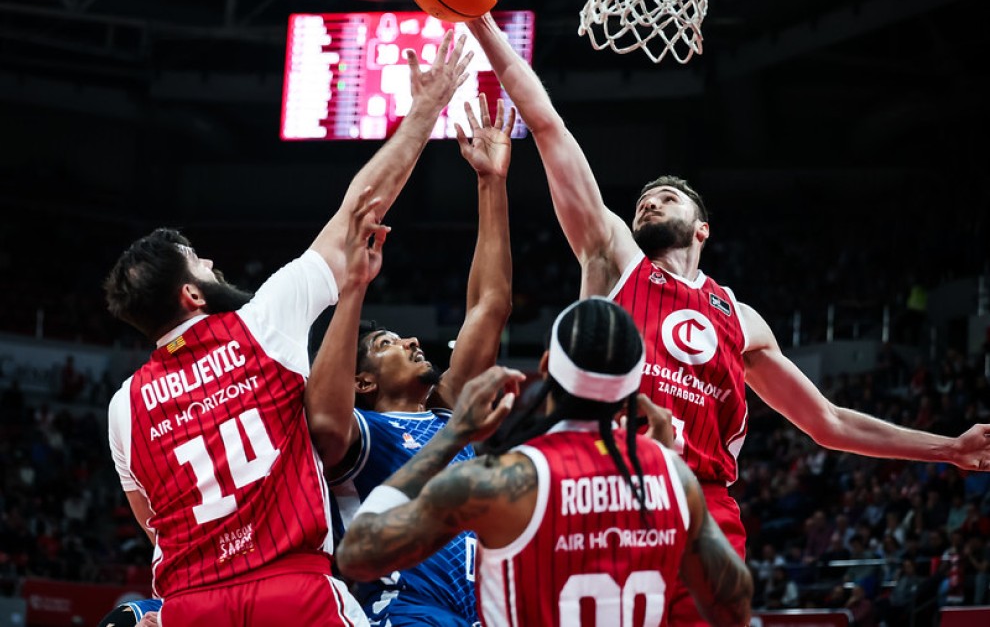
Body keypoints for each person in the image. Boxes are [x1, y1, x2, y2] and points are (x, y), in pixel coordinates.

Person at [465, 11, 990, 626]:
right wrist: (482, 24)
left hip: (703, 504)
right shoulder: (612, 257)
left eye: (666, 198)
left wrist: (950, 448)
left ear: (702, 229)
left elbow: (827, 422)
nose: (649, 203)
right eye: (643, 202)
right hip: (606, 486)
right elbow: (548, 126)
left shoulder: (742, 321)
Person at [103, 32, 473, 627]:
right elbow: (360, 210)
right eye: (200, 263)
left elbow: (153, 523)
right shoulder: (262, 321)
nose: (213, 264)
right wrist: (426, 111)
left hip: (191, 606)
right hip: (291, 588)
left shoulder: (125, 406)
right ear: (191, 295)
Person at [335, 297, 753, 627]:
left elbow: (357, 555)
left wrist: (453, 435)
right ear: (632, 383)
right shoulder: (673, 477)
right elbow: (732, 606)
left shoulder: (506, 479)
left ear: (547, 366)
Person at [310, 97, 515, 626]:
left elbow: (490, 306)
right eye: (387, 345)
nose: (411, 342)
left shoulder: (450, 414)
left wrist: (491, 183)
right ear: (361, 381)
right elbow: (324, 416)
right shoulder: (362, 434)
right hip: (402, 612)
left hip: (480, 613)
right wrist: (353, 286)